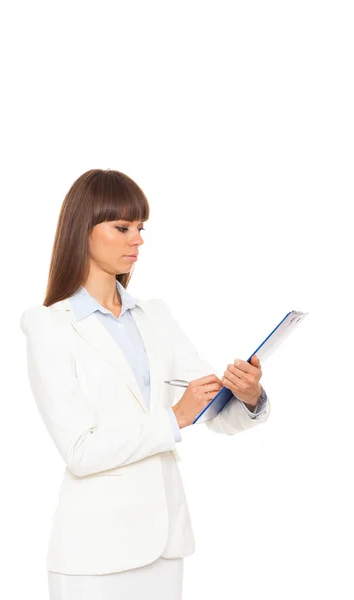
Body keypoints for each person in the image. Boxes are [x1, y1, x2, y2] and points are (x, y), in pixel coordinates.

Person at [20, 168, 270, 600]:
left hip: (165, 548)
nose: (137, 239)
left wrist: (247, 397)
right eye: (122, 227)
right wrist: (175, 417)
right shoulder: (49, 325)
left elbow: (207, 409)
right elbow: (80, 451)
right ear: (84, 229)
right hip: (94, 555)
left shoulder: (155, 315)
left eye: (140, 228)